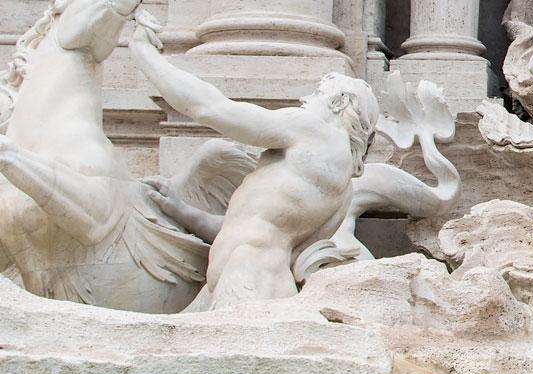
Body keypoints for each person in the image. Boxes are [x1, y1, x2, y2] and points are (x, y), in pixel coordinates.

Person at [128, 16, 378, 308]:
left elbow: (211, 108)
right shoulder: (342, 188)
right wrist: (182, 212)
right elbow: (252, 225)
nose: (305, 99)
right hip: (254, 280)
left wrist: (144, 55)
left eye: (317, 94)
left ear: (338, 103)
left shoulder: (315, 130)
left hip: (248, 278)